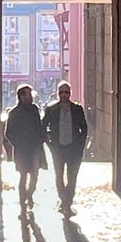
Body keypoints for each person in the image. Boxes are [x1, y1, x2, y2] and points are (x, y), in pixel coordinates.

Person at [42, 80, 90, 217]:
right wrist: (48, 141)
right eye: (61, 92)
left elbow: (84, 128)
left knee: (72, 176)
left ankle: (68, 202)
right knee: (59, 175)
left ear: (70, 93)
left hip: (73, 148)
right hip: (57, 148)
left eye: (66, 92)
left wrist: (81, 145)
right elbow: (43, 126)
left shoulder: (77, 109)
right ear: (57, 93)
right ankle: (63, 200)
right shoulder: (51, 109)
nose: (64, 95)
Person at [3, 84, 47, 211]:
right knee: (23, 176)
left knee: (35, 174)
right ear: (22, 97)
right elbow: (8, 133)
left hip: (35, 148)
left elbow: (38, 126)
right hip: (22, 150)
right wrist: (18, 144)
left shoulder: (34, 109)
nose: (31, 97)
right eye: (29, 94)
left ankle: (29, 194)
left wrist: (42, 137)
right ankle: (23, 201)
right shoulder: (14, 113)